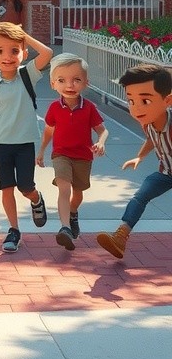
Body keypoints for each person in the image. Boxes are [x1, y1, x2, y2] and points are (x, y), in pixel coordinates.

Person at [0, 21, 53, 252]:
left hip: (24, 143)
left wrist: (24, 35)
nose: (7, 56)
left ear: (23, 52)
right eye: (0, 51)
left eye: (14, 50)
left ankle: (36, 198)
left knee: (25, 186)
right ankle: (13, 230)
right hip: (2, 143)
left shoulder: (28, 74)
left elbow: (47, 53)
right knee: (7, 188)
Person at [96, 63, 172, 260]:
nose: (136, 108)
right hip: (166, 173)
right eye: (131, 101)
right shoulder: (147, 122)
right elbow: (151, 139)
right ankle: (120, 236)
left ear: (167, 100)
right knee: (140, 196)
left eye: (145, 101)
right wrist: (140, 156)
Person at [36, 53, 108, 251]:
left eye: (76, 80)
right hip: (61, 155)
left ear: (86, 83)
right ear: (53, 84)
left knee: (77, 194)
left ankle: (73, 212)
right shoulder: (54, 108)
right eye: (62, 80)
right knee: (64, 188)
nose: (69, 85)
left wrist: (101, 142)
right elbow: (48, 132)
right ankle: (65, 228)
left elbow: (102, 129)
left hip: (83, 156)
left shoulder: (89, 108)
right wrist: (41, 151)